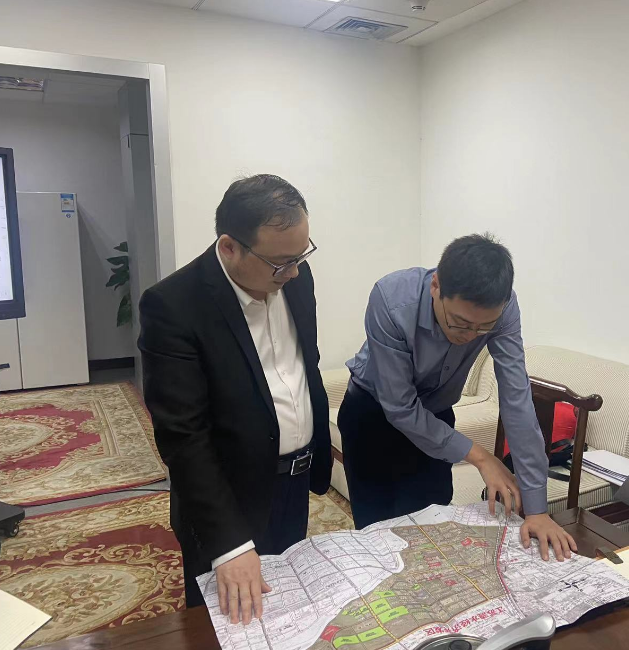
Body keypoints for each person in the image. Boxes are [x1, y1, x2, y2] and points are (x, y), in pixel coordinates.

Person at [138, 174, 332, 625]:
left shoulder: (295, 278)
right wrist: (229, 543)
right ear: (229, 247)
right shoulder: (174, 305)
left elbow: (304, 366)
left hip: (294, 481)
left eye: (301, 256)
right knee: (225, 623)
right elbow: (183, 435)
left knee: (285, 612)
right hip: (228, 494)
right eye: (280, 263)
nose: (294, 272)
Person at [339, 233, 577, 561]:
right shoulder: (391, 299)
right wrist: (482, 457)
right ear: (436, 286)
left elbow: (516, 399)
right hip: (373, 414)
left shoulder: (504, 308)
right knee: (380, 539)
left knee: (436, 529)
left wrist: (537, 510)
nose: (470, 336)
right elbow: (400, 407)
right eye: (460, 323)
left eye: (483, 328)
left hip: (436, 415)